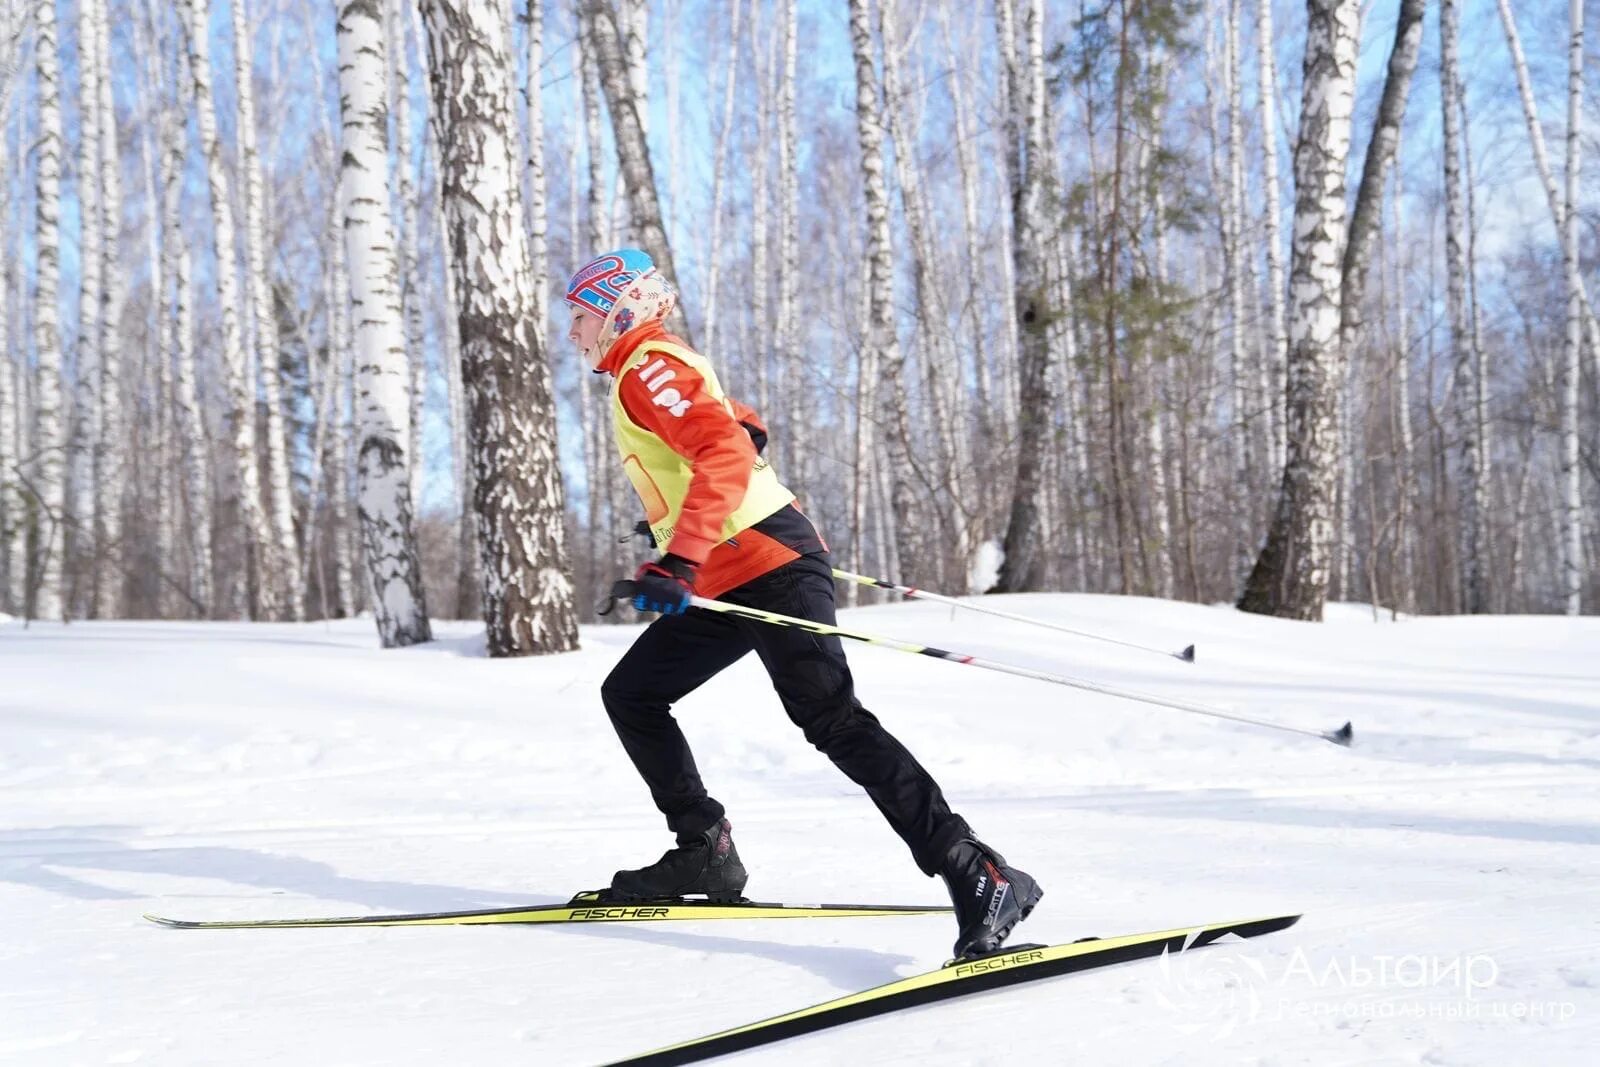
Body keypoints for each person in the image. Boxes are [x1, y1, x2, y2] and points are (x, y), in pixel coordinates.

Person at [564, 248, 1041, 958]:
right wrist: (674, 520)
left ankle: (979, 870)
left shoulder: (648, 363)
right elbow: (742, 427)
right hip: (728, 575)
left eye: (580, 315)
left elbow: (725, 450)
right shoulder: (653, 365)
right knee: (632, 692)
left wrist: (679, 553)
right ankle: (704, 849)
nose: (573, 332)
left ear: (619, 309)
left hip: (765, 562)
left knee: (831, 718)